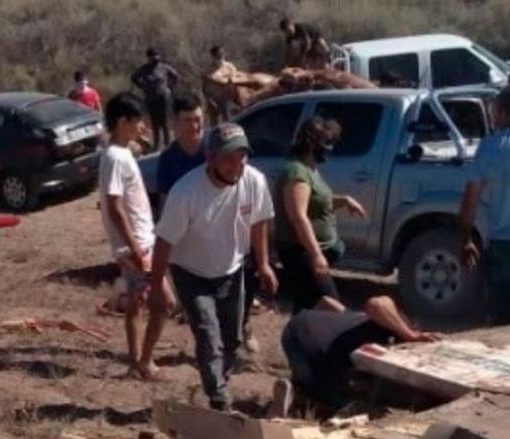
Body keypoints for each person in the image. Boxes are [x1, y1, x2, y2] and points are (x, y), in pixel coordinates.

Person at [149, 122, 278, 411]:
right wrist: (157, 285)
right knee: (208, 334)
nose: (237, 165)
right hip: (191, 272)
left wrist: (264, 264)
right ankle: (219, 397)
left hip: (232, 269)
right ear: (211, 159)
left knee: (232, 339)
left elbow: (259, 222)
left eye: (242, 157)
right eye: (229, 158)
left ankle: (218, 380)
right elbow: (164, 241)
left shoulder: (253, 181)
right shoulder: (186, 192)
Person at [99, 92, 172, 380]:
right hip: (137, 243)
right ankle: (144, 361)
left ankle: (137, 361)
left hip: (140, 240)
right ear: (121, 122)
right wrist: (134, 247)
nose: (141, 127)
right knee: (162, 302)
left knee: (136, 301)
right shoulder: (116, 158)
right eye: (136, 121)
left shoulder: (119, 154)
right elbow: (115, 207)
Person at [271, 295, 440, 417]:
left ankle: (298, 386)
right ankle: (297, 394)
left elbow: (326, 301)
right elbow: (375, 303)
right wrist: (410, 334)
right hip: (311, 347)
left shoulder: (360, 319)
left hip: (297, 327)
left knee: (334, 380)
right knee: (338, 403)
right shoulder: (391, 326)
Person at [274, 117, 367, 314]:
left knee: (307, 307)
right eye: (326, 143)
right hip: (301, 254)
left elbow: (315, 201)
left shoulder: (310, 170)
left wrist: (344, 201)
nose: (330, 148)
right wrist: (316, 255)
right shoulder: (297, 172)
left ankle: (300, 340)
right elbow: (298, 215)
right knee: (330, 306)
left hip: (310, 252)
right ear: (311, 143)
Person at [460, 86, 510, 325]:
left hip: (502, 244)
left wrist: (466, 238)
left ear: (503, 112)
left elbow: (471, 198)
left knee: (500, 316)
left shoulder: (490, 147)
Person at [156, 92, 206, 212]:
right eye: (188, 121)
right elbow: (164, 201)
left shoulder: (215, 150)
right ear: (176, 122)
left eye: (198, 119)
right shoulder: (168, 159)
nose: (194, 126)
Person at [131, 48, 181, 150]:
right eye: (153, 56)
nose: (155, 58)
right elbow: (134, 77)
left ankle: (168, 144)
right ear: (148, 58)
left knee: (165, 121)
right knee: (155, 123)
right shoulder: (144, 69)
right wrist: (143, 86)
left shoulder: (164, 67)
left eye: (156, 55)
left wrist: (170, 88)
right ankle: (157, 145)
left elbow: (176, 76)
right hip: (151, 98)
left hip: (163, 97)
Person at [203, 45, 239, 123]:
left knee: (228, 120)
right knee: (214, 123)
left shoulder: (230, 67)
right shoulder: (208, 70)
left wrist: (219, 81)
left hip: (227, 99)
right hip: (213, 100)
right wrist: (209, 100)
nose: (221, 56)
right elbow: (204, 87)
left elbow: (235, 80)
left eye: (222, 53)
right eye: (218, 54)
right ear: (213, 56)